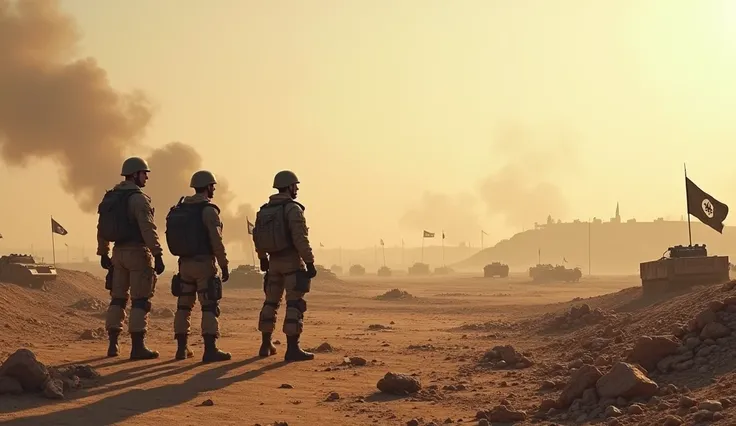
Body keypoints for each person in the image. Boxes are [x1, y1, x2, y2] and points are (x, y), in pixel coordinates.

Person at [96, 156, 165, 360]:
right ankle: (137, 347)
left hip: (118, 254)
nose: (146, 178)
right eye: (145, 174)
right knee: (140, 300)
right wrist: (158, 253)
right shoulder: (138, 199)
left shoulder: (111, 197)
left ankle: (113, 344)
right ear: (135, 174)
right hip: (137, 253)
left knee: (117, 298)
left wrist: (103, 252)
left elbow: (102, 228)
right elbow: (147, 228)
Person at [165, 170, 231, 363]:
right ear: (208, 187)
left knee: (183, 306)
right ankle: (210, 350)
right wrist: (224, 264)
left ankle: (181, 349)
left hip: (184, 264)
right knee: (209, 306)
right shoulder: (209, 210)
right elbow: (216, 241)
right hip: (204, 264)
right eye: (213, 186)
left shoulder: (181, 208)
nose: (214, 190)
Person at [252, 170, 317, 361]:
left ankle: (265, 344)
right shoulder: (292, 209)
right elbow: (300, 238)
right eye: (295, 185)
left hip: (273, 263)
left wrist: (262, 257)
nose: (296, 189)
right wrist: (310, 261)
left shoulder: (264, 210)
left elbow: (257, 237)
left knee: (270, 302)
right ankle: (292, 348)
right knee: (294, 303)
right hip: (291, 262)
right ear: (289, 186)